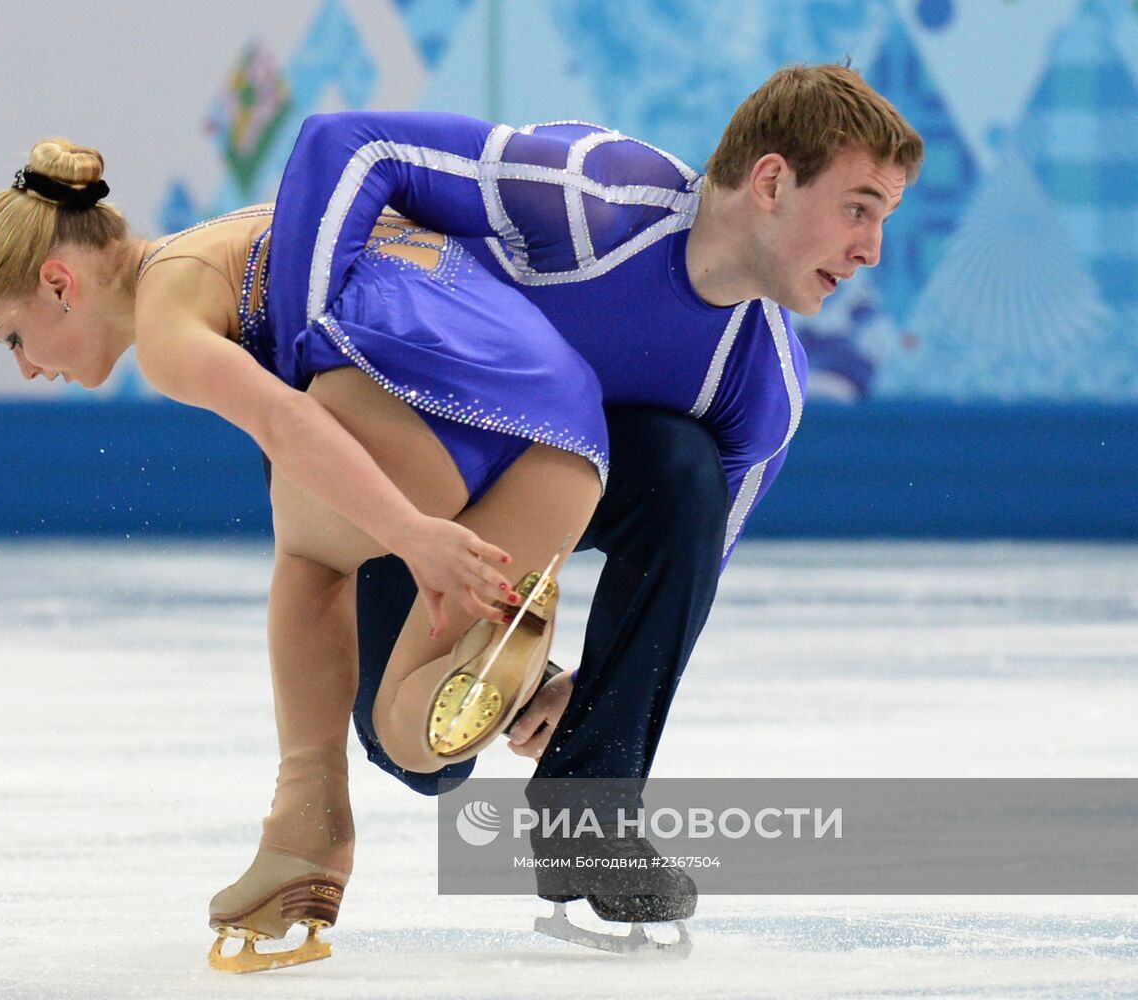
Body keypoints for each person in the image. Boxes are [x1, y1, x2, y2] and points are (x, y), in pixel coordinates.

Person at [265, 63, 922, 946]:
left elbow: (689, 576)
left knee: (685, 470)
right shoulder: (585, 204)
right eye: (859, 207)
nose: (873, 246)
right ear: (770, 182)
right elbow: (345, 143)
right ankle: (485, 662)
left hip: (539, 500)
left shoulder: (762, 384)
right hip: (411, 484)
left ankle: (590, 819)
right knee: (423, 763)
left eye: (883, 217)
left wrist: (588, 693)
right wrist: (298, 383)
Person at [0, 151, 613, 971]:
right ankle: (522, 672)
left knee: (308, 562)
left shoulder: (166, 317)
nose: (24, 365)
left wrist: (411, 535)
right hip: (570, 433)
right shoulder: (241, 230)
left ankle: (305, 837)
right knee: (410, 733)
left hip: (436, 404)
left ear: (59, 283)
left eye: (12, 336)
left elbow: (286, 425)